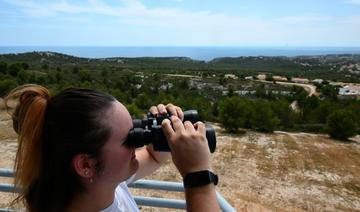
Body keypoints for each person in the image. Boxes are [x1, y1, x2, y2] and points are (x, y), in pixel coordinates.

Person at [4, 84, 220, 212]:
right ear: (86, 164)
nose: (138, 144)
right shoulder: (103, 185)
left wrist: (164, 129)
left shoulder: (103, 185)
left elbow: (154, 157)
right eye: (129, 139)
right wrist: (198, 178)